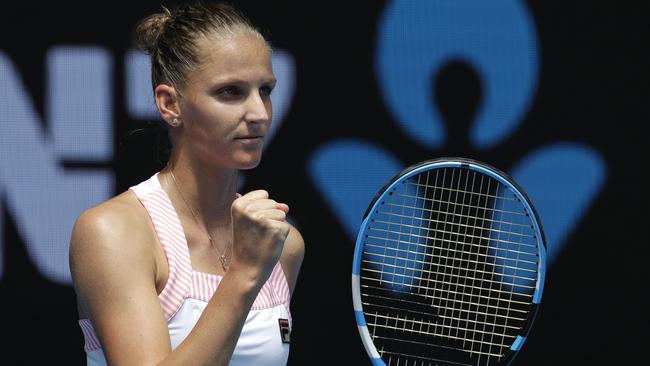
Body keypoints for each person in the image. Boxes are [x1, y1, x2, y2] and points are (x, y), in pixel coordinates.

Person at [68, 2, 305, 365]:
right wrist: (243, 273)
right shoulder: (112, 232)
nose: (259, 113)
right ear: (169, 104)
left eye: (266, 90)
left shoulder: (284, 247)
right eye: (230, 92)